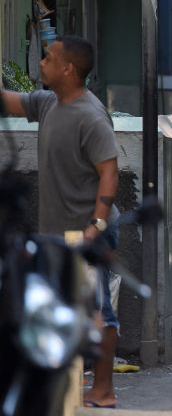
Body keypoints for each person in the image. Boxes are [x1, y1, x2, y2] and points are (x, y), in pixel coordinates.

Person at [1, 36, 121, 409]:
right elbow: (11, 102)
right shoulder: (50, 103)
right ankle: (67, 384)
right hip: (56, 233)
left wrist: (96, 225)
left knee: (97, 310)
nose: (41, 63)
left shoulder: (90, 114)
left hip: (86, 230)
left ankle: (103, 388)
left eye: (48, 58)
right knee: (61, 308)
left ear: (68, 68)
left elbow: (110, 172)